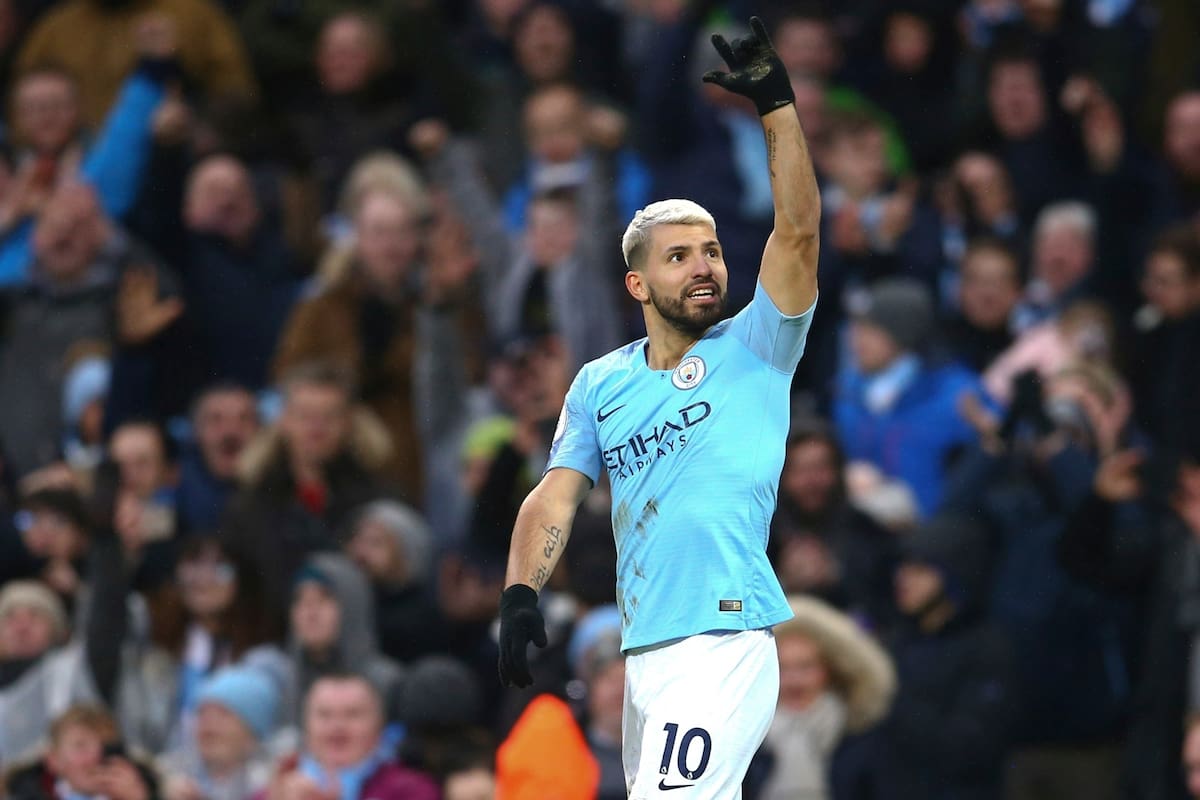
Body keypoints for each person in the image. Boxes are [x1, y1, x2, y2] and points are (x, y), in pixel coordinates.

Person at [497, 17, 819, 798]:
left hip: (724, 637)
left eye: (711, 250)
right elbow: (556, 496)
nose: (704, 265)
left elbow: (800, 231)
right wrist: (519, 596)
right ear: (638, 284)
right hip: (644, 652)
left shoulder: (756, 346)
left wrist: (776, 105)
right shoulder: (601, 383)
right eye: (680, 256)